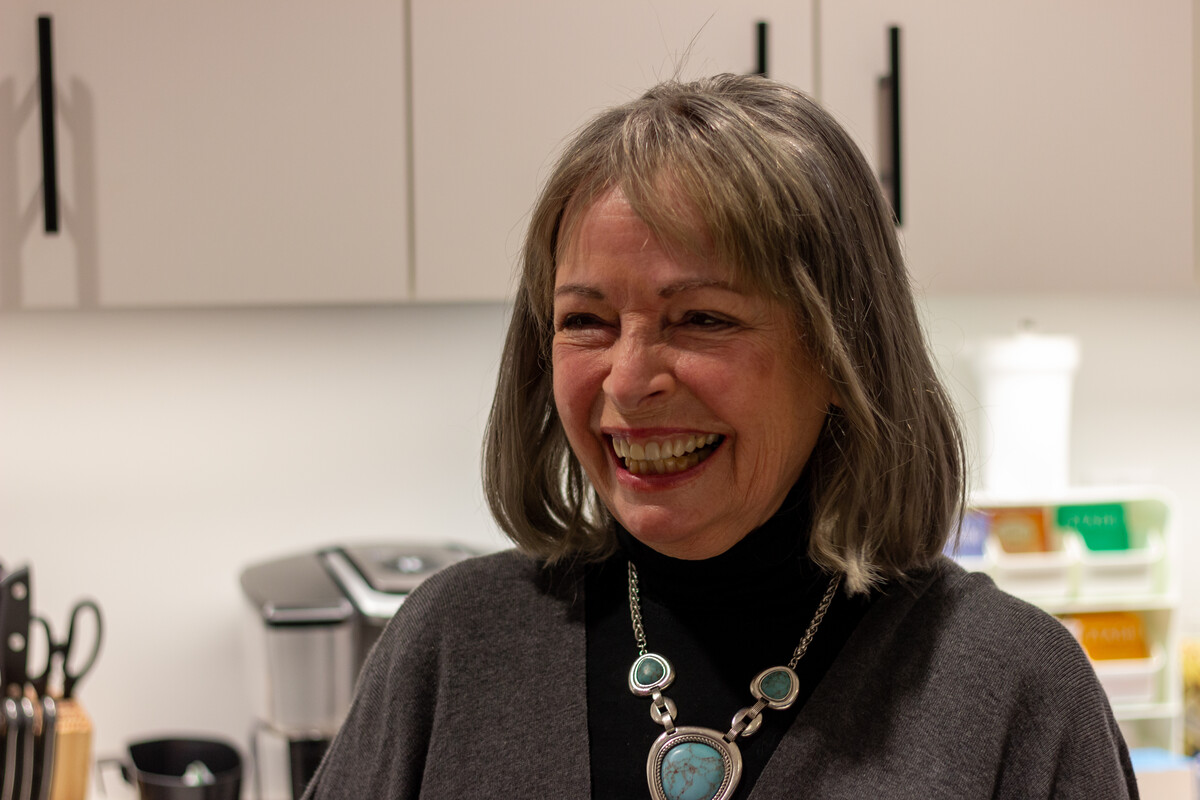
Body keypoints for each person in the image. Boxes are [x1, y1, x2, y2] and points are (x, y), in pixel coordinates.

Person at [303, 74, 1137, 799]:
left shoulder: (1013, 689)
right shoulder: (454, 646)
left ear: (843, 356)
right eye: (585, 321)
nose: (628, 382)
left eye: (701, 319)